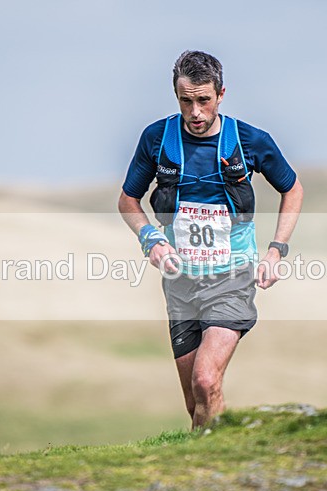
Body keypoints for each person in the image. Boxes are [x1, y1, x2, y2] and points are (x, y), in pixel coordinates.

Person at [118, 50, 303, 429]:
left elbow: (293, 189)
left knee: (206, 379)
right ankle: (204, 467)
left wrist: (275, 251)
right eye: (186, 101)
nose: (195, 112)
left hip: (232, 277)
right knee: (194, 402)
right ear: (176, 95)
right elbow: (127, 201)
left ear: (221, 94)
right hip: (180, 282)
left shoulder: (250, 140)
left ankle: (217, 471)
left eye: (203, 100)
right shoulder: (156, 138)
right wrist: (150, 238)